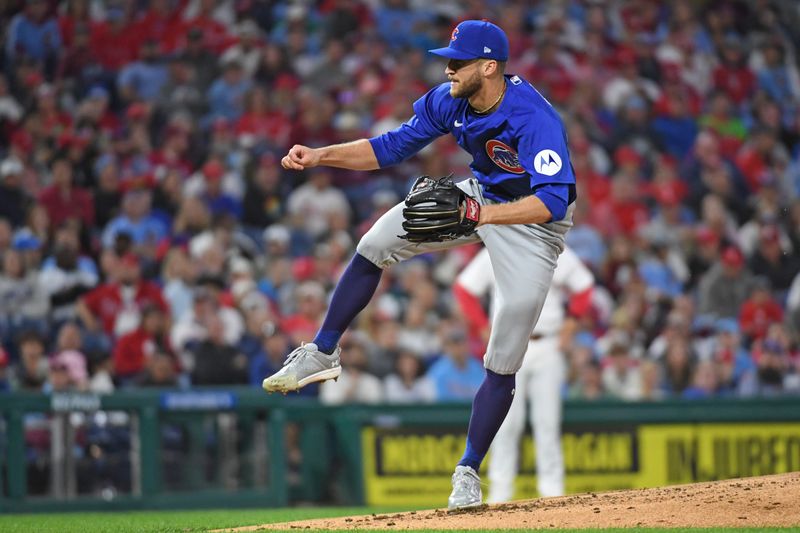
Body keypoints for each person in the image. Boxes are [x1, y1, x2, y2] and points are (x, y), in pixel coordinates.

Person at [262, 20, 576, 509]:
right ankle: (323, 351)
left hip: (533, 224)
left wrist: (483, 214)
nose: (447, 68)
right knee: (374, 241)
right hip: (483, 198)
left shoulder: (531, 117)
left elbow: (554, 200)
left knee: (506, 346)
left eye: (458, 61)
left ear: (489, 66)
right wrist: (320, 155)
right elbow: (390, 147)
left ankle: (468, 471)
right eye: (447, 59)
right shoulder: (450, 98)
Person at [454, 245, 594, 501]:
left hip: (548, 343)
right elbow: (464, 289)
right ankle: (500, 493)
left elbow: (584, 286)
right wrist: (483, 326)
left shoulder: (554, 248)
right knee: (505, 424)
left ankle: (552, 493)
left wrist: (570, 325)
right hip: (509, 343)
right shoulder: (499, 247)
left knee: (547, 423)